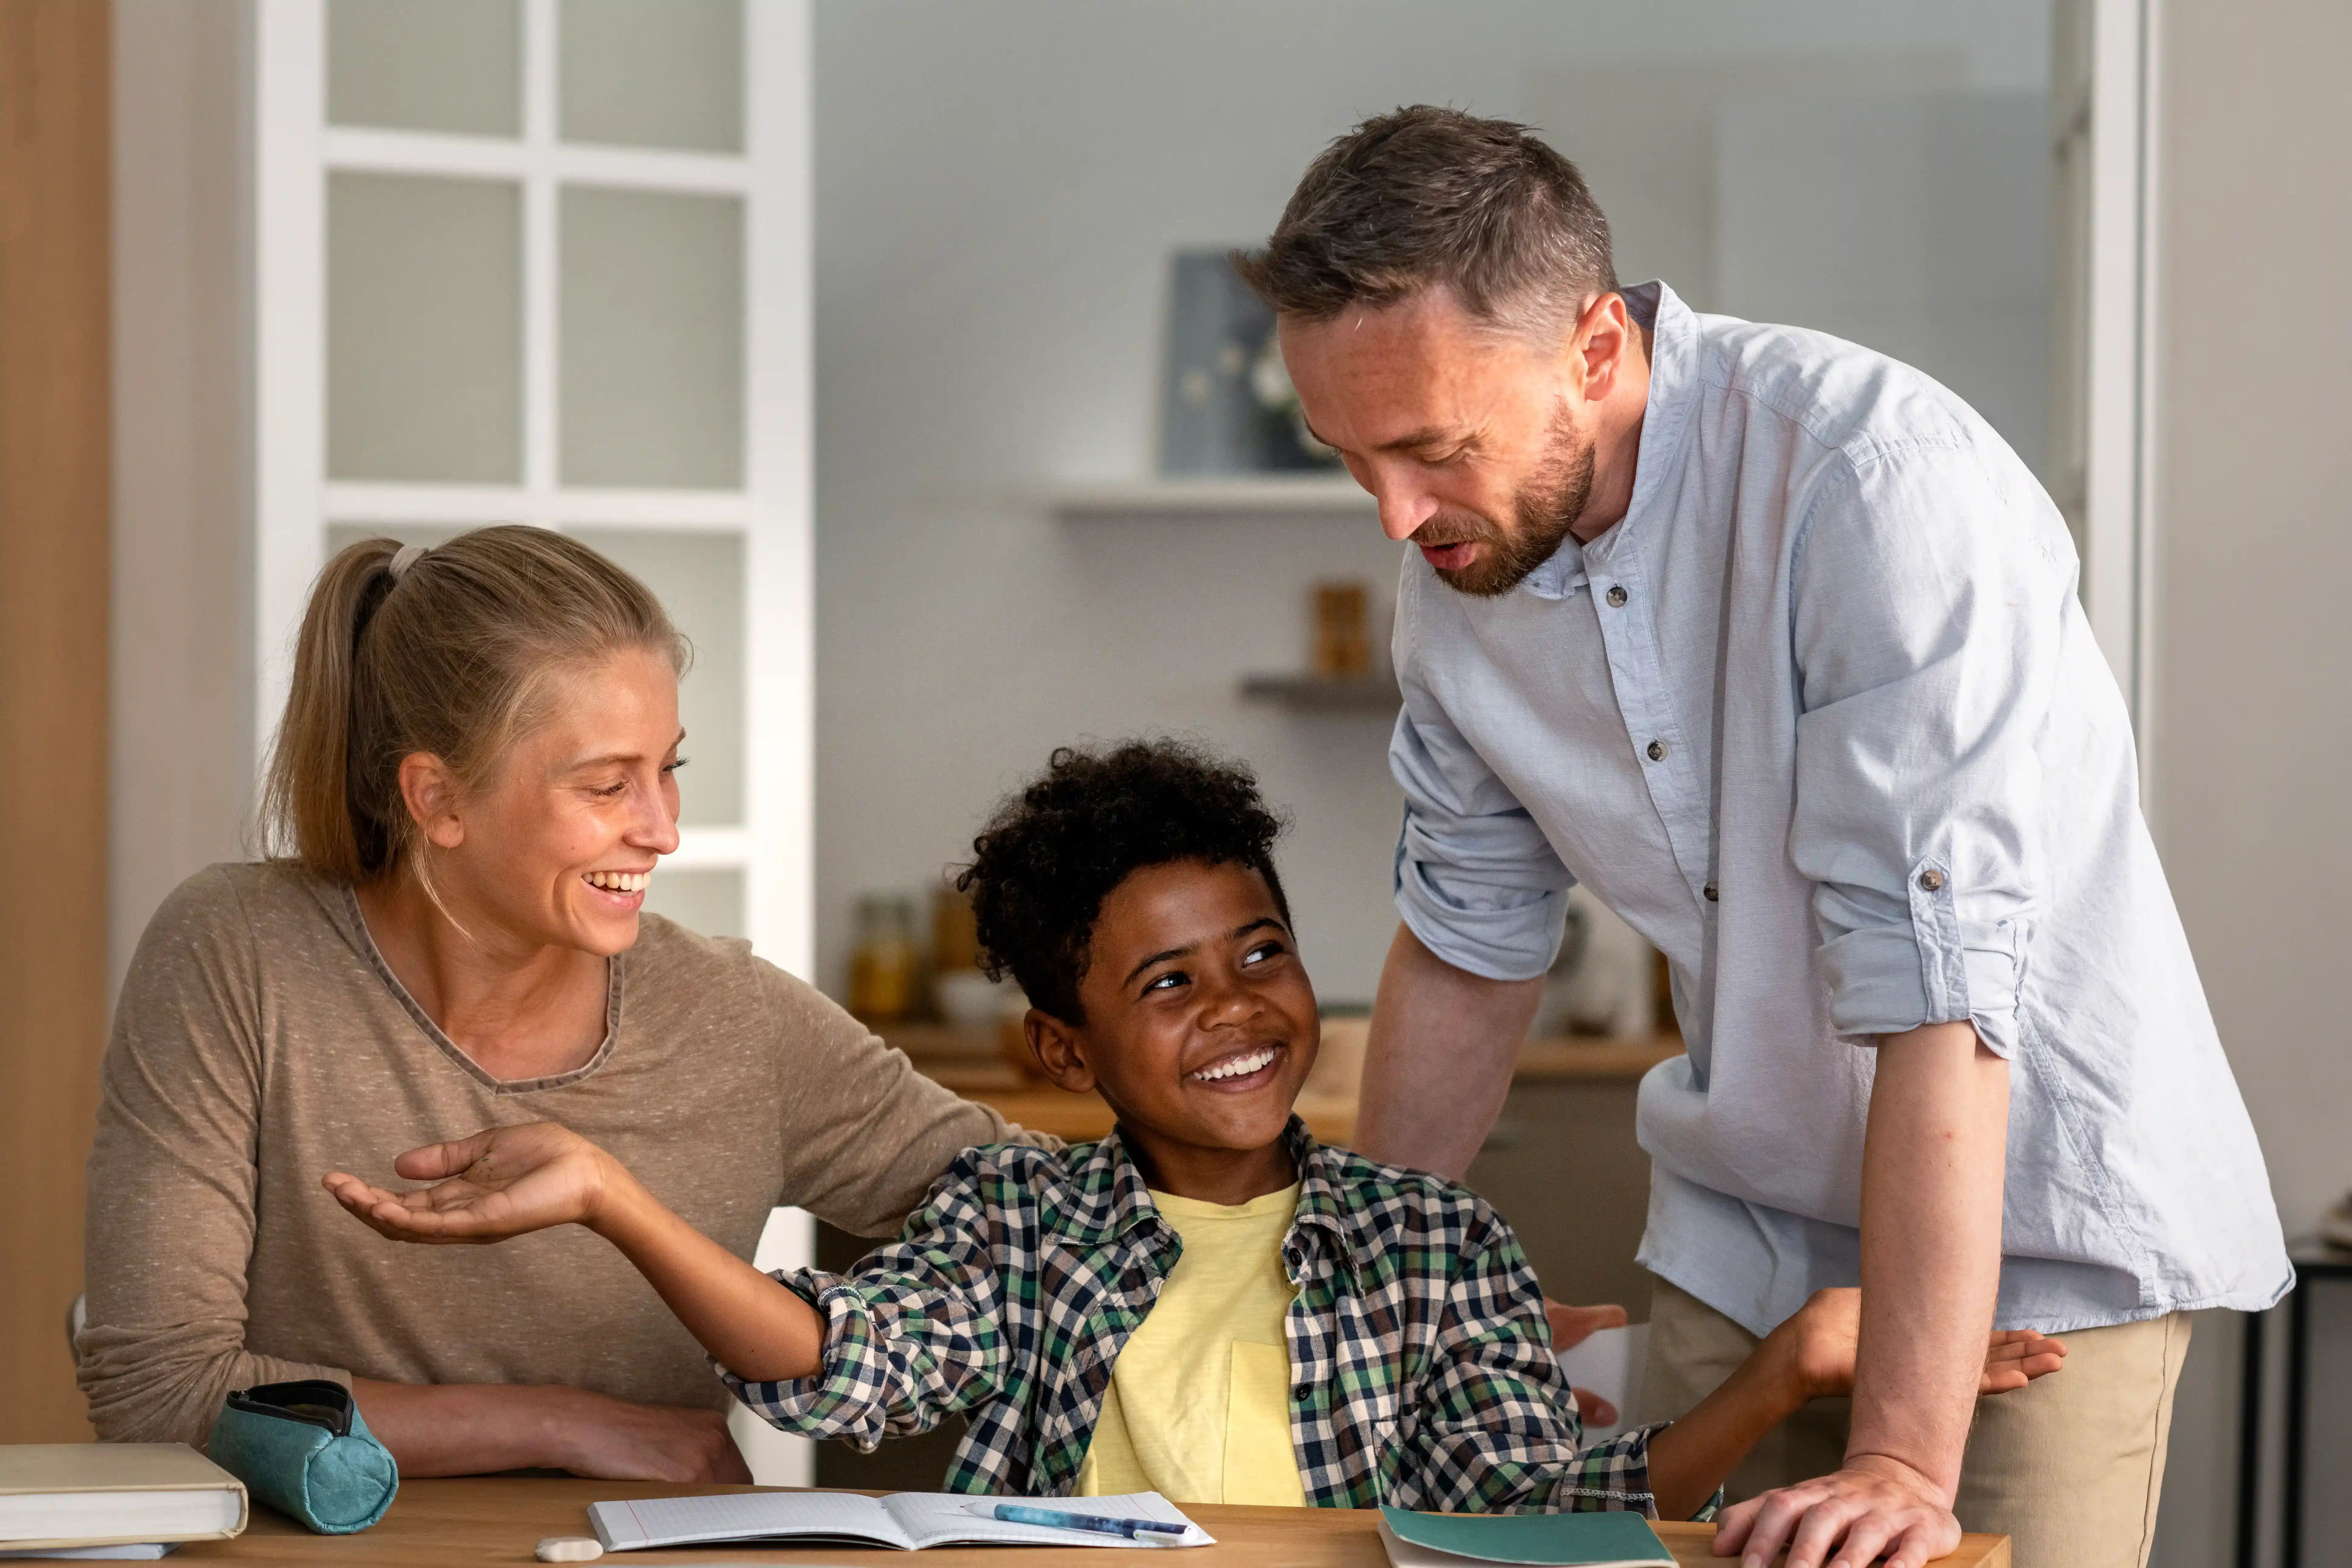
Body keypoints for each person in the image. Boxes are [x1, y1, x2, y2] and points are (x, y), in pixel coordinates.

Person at [1236, 107, 2290, 1568]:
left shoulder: (1875, 488)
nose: (1393, 516)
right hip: (1740, 1242)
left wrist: (1901, 1461)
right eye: (1350, 459)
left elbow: (1937, 995)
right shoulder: (1454, 563)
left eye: (1428, 450)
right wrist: (1379, 1288)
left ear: (1593, 349)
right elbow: (1468, 946)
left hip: (2027, 1264)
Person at [325, 740, 2062, 1519]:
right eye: (1164, 987)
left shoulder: (1430, 1239)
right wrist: (621, 1200)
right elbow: (832, 1365)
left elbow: (1539, 1514)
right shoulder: (1019, 1222)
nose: (1235, 1009)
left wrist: (1789, 1376)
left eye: (1260, 953)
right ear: (1063, 1047)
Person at [79, 527, 1030, 1480]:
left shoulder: (735, 1019)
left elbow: (1052, 1222)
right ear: (438, 799)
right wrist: (570, 1426)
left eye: (671, 770)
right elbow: (163, 1390)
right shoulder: (238, 952)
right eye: (609, 784)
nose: (662, 830)